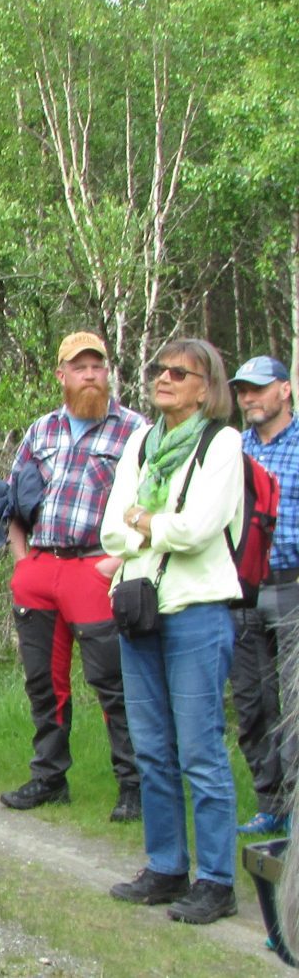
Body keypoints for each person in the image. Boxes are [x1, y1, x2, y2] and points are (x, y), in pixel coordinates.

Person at [102, 338, 244, 924]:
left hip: (197, 611)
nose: (163, 378)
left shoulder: (221, 443)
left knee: (200, 750)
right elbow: (111, 530)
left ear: (206, 388)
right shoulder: (141, 442)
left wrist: (144, 521)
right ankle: (165, 866)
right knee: (152, 748)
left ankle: (216, 881)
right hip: (139, 608)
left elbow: (200, 529)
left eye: (179, 372)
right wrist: (152, 524)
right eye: (159, 369)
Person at [0, 332, 143, 820]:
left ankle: (133, 786)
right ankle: (49, 777)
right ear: (61, 376)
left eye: (97, 367)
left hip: (96, 567)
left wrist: (115, 564)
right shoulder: (42, 430)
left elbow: (155, 502)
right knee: (44, 682)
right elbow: (13, 499)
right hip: (41, 566)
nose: (90, 376)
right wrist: (22, 560)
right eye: (79, 368)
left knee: (112, 683)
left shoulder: (134, 431)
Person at [228, 354, 299, 836]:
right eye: (242, 390)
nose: (249, 398)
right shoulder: (233, 451)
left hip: (293, 585)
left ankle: (296, 806)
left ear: (284, 390)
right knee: (253, 703)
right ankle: (271, 803)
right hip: (243, 590)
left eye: (258, 388)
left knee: (295, 702)